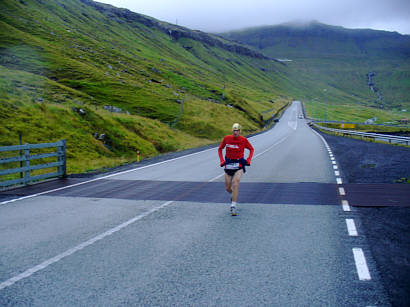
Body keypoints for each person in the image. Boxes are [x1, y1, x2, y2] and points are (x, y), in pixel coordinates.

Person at [218, 123, 254, 215]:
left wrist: (248, 160)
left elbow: (251, 149)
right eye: (234, 130)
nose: (235, 132)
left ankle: (233, 206)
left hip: (239, 164)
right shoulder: (227, 138)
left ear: (240, 131)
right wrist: (222, 160)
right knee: (227, 187)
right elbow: (220, 149)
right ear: (232, 131)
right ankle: (232, 195)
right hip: (228, 164)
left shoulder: (243, 140)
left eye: (237, 130)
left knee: (235, 183)